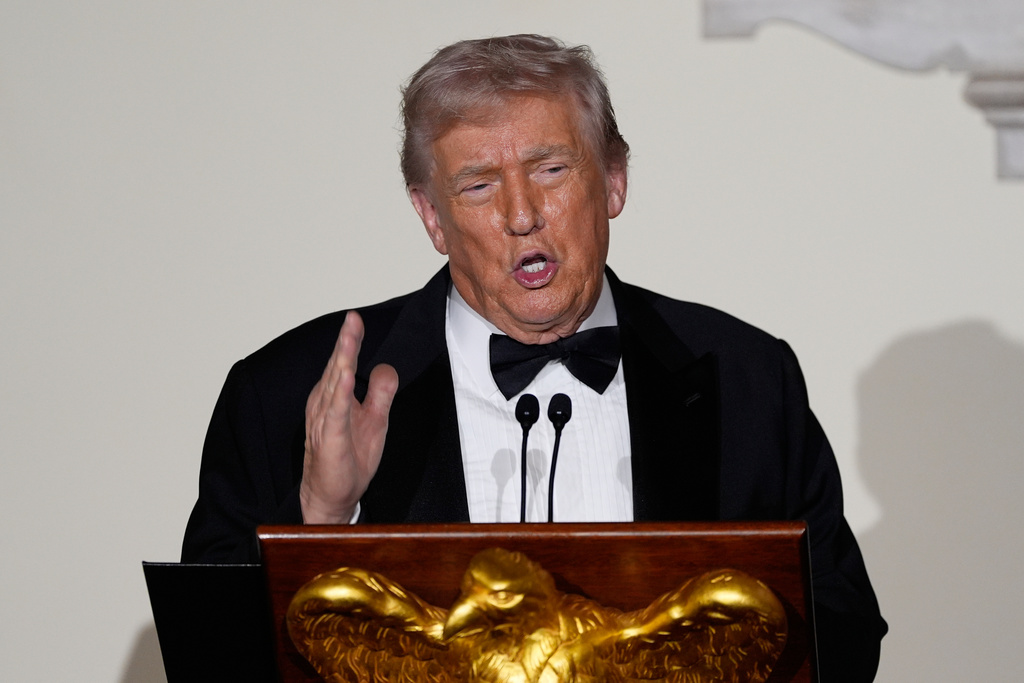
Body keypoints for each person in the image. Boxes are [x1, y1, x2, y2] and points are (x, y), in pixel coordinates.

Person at [182, 34, 886, 680]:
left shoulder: (747, 379)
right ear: (431, 216)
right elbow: (209, 660)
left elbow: (844, 634)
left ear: (614, 179)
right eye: (479, 185)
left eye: (551, 169)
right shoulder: (284, 394)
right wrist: (321, 517)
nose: (522, 215)